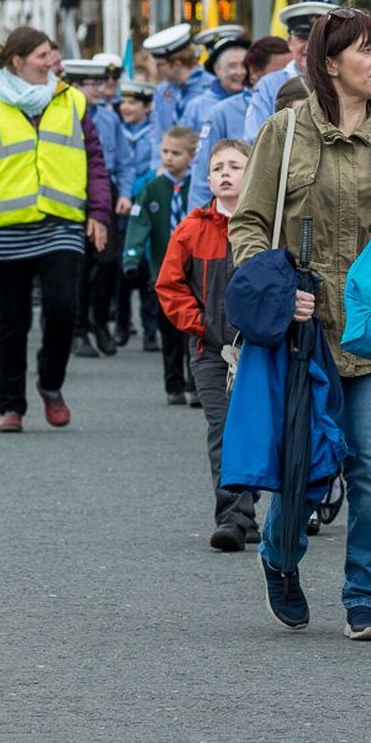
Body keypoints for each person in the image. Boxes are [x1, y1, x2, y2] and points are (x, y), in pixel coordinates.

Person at [231, 6, 371, 642]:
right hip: (304, 330)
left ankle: (365, 597)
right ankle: (279, 559)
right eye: (367, 50)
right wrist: (282, 294)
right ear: (330, 61)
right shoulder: (284, 132)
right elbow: (249, 225)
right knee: (303, 459)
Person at [0, 27, 112, 433]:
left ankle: (50, 382)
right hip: (6, 227)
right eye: (42, 56)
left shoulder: (71, 100)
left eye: (51, 56)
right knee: (13, 319)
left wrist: (99, 212)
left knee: (63, 310)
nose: (50, 63)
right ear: (17, 60)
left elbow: (94, 160)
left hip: (61, 221)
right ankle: (11, 407)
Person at [157, 137, 258, 550]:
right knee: (223, 428)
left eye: (235, 166)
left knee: (257, 429)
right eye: (217, 168)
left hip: (261, 350)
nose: (226, 174)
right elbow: (169, 286)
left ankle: (251, 508)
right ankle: (232, 516)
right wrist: (198, 323)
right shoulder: (192, 229)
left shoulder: (267, 225)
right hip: (210, 352)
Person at [124, 125, 200, 404]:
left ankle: (196, 386)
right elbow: (138, 222)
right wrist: (131, 257)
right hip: (163, 270)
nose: (168, 157)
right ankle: (174, 387)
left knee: (193, 330)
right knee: (168, 330)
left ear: (191, 156)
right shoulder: (153, 188)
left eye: (176, 153)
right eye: (165, 151)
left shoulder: (199, 186)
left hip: (194, 270)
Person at [63, 58, 124, 358]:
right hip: (72, 190)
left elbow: (122, 160)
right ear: (74, 86)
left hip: (103, 191)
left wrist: (123, 193)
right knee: (79, 264)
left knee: (108, 260)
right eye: (92, 84)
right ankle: (79, 329)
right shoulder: (62, 115)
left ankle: (100, 321)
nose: (100, 89)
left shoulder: (109, 117)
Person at [191, 37, 291, 200]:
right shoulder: (222, 112)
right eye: (281, 72)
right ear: (254, 72)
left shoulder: (297, 106)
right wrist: (198, 221)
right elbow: (202, 176)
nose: (287, 78)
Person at [110, 81, 158, 349]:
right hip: (122, 205)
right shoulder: (117, 130)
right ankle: (121, 324)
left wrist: (137, 191)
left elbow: (154, 167)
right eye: (123, 103)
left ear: (147, 106)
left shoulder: (152, 134)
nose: (126, 108)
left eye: (133, 103)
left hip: (145, 204)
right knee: (123, 269)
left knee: (148, 266)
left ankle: (150, 328)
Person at [143, 23, 219, 167]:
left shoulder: (212, 86)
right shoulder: (162, 91)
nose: (157, 70)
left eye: (160, 65)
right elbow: (156, 133)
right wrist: (158, 166)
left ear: (177, 64)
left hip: (201, 167)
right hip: (168, 170)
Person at [243, 5, 324, 137]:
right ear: (290, 43)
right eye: (302, 39)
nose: (309, 47)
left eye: (316, 39)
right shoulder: (268, 85)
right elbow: (256, 138)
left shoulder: (341, 80)